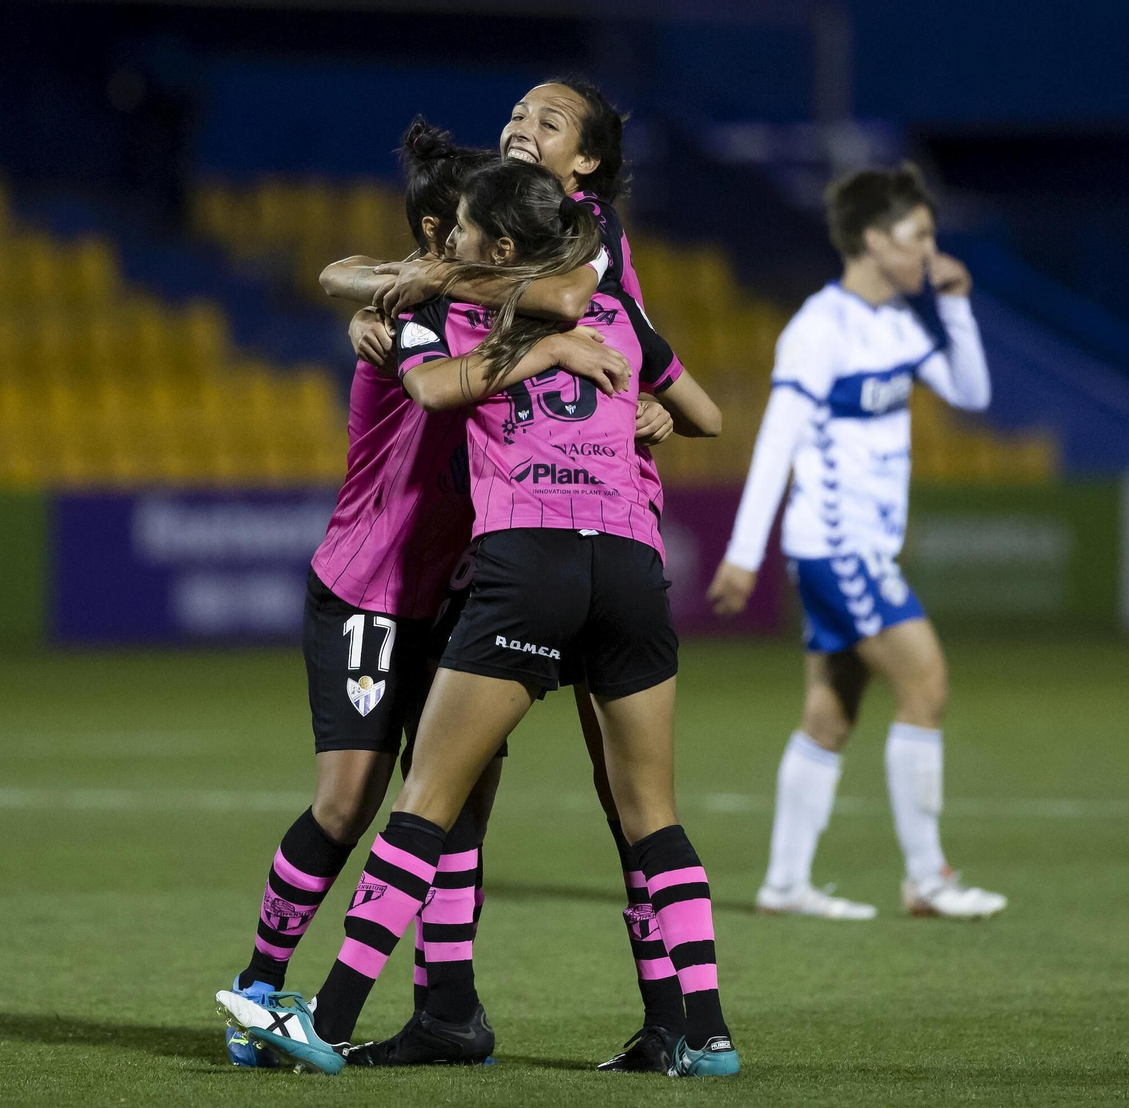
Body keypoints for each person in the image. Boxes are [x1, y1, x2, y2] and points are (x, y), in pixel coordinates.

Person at [220, 158, 739, 1079]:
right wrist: (603, 374)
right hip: (394, 582)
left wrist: (646, 405)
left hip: (500, 573)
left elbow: (480, 362)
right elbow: (702, 406)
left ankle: (385, 1017)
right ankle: (704, 1031)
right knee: (362, 803)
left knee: (438, 802)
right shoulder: (432, 310)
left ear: (496, 244)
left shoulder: (483, 311)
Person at [707, 162, 1008, 921]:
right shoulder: (819, 329)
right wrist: (746, 551)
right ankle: (927, 880)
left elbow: (973, 394)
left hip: (862, 549)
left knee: (831, 713)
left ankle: (785, 882)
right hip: (837, 548)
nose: (930, 251)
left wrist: (957, 307)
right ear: (875, 241)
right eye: (918, 237)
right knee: (926, 684)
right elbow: (778, 440)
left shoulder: (901, 324)